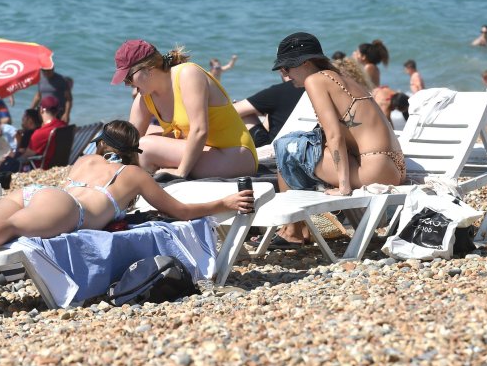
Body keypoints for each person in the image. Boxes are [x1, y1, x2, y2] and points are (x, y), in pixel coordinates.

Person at [0, 120, 254, 307]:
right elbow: (178, 210)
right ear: (131, 151)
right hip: (69, 209)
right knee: (9, 228)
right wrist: (221, 205)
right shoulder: (134, 174)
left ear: (102, 144)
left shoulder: (85, 159)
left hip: (38, 191)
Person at [270, 33, 405, 248]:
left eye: (286, 68)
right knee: (304, 145)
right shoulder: (339, 77)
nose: (285, 76)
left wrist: (343, 187)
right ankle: (299, 228)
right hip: (393, 166)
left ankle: (293, 231)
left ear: (305, 63)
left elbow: (335, 135)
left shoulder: (315, 80)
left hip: (373, 169)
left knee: (287, 148)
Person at [113, 40, 256, 179]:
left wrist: (180, 172)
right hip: (205, 154)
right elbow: (128, 145)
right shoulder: (144, 98)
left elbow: (200, 130)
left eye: (128, 77)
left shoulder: (188, 74)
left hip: (236, 156)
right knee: (139, 144)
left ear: (148, 67)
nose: (127, 84)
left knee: (144, 148)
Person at [233, 73, 306, 147]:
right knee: (271, 110)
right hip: (308, 145)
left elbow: (233, 111)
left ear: (283, 71)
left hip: (275, 150)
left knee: (246, 113)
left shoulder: (280, 91)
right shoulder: (314, 87)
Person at [0, 109, 42, 174]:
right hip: (30, 163)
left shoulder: (28, 134)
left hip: (21, 166)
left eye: (23, 119)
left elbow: (20, 153)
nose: (22, 122)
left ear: (29, 120)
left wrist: (18, 140)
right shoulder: (38, 131)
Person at [20, 96, 67, 169]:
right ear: (57, 110)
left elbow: (26, 157)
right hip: (60, 166)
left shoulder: (40, 133)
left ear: (41, 110)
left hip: (40, 168)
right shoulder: (64, 126)